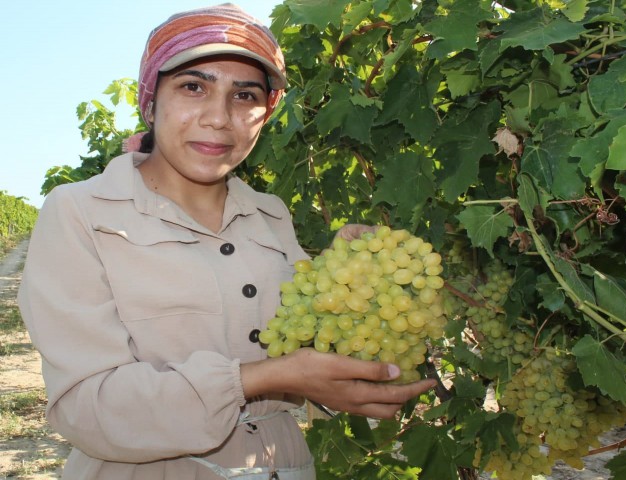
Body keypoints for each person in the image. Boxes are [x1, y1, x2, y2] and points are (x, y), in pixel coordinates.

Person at [17, 4, 436, 479]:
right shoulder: (81, 211)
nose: (219, 117)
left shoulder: (271, 214)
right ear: (151, 101)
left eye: (245, 95)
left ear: (265, 113)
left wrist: (350, 275)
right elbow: (87, 410)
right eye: (194, 86)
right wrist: (268, 377)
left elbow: (310, 350)